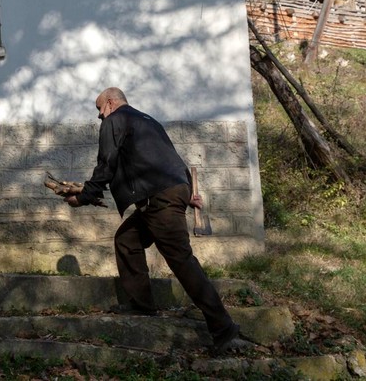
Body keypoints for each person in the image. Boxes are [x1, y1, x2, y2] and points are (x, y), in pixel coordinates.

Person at [62, 87, 242, 354]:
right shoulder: (148, 121)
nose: (99, 116)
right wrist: (186, 193)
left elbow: (106, 164)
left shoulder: (115, 120)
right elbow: (171, 158)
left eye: (100, 108)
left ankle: (224, 328)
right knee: (127, 240)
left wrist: (85, 197)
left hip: (159, 200)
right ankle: (141, 303)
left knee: (181, 260)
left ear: (111, 103)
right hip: (165, 195)